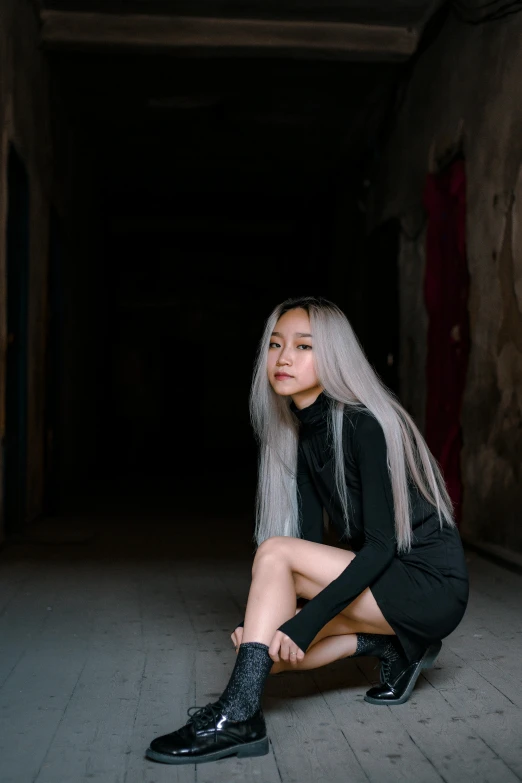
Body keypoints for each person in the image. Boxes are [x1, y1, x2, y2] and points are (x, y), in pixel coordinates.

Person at [146, 295, 469, 766]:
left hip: (429, 586)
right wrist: (271, 626)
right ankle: (387, 646)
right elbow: (308, 545)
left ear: (333, 356)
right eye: (276, 345)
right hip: (388, 587)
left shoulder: (364, 425)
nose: (283, 358)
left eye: (303, 346)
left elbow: (378, 548)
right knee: (262, 660)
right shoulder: (301, 433)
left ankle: (236, 717)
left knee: (274, 565)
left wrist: (305, 621)